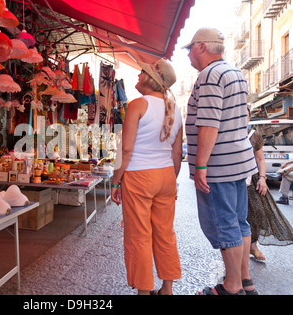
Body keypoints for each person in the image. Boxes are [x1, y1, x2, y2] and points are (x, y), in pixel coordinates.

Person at [183, 28, 258, 295]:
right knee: (239, 222)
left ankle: (232, 286)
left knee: (224, 224)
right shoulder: (235, 72)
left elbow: (209, 123)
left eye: (190, 48)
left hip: (219, 165)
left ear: (201, 47)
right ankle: (245, 280)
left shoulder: (210, 75)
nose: (188, 54)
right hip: (238, 161)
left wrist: (201, 165)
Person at [111, 58, 183, 295]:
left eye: (142, 72)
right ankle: (167, 288)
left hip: (139, 176)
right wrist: (172, 181)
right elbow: (177, 152)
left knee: (139, 235)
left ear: (151, 79)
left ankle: (144, 290)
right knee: (165, 233)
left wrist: (115, 181)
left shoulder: (138, 105)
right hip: (166, 175)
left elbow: (126, 149)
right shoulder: (175, 109)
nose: (138, 75)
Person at [246, 116, 293, 264]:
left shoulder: (252, 135)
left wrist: (262, 178)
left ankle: (253, 246)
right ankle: (236, 249)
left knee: (256, 212)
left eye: (246, 114)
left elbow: (260, 159)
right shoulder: (226, 132)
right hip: (231, 179)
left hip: (252, 179)